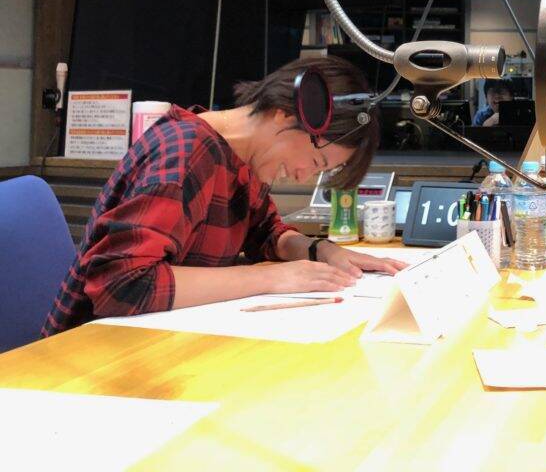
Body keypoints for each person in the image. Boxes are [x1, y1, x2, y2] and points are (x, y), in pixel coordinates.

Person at [43, 56, 406, 336]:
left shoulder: (239, 159)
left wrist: (322, 251)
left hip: (162, 341)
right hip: (89, 358)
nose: (303, 176)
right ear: (284, 115)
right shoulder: (186, 153)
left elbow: (266, 232)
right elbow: (123, 285)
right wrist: (272, 280)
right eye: (316, 162)